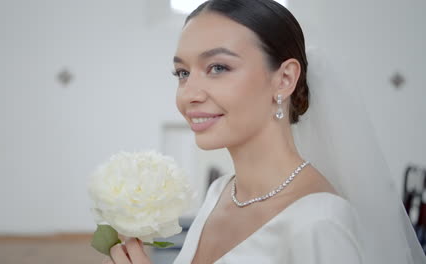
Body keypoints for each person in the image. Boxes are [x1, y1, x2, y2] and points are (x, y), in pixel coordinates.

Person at [103, 0, 426, 263]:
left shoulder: (319, 223)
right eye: (182, 72)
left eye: (218, 67)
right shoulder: (220, 193)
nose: (189, 94)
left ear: (284, 79)